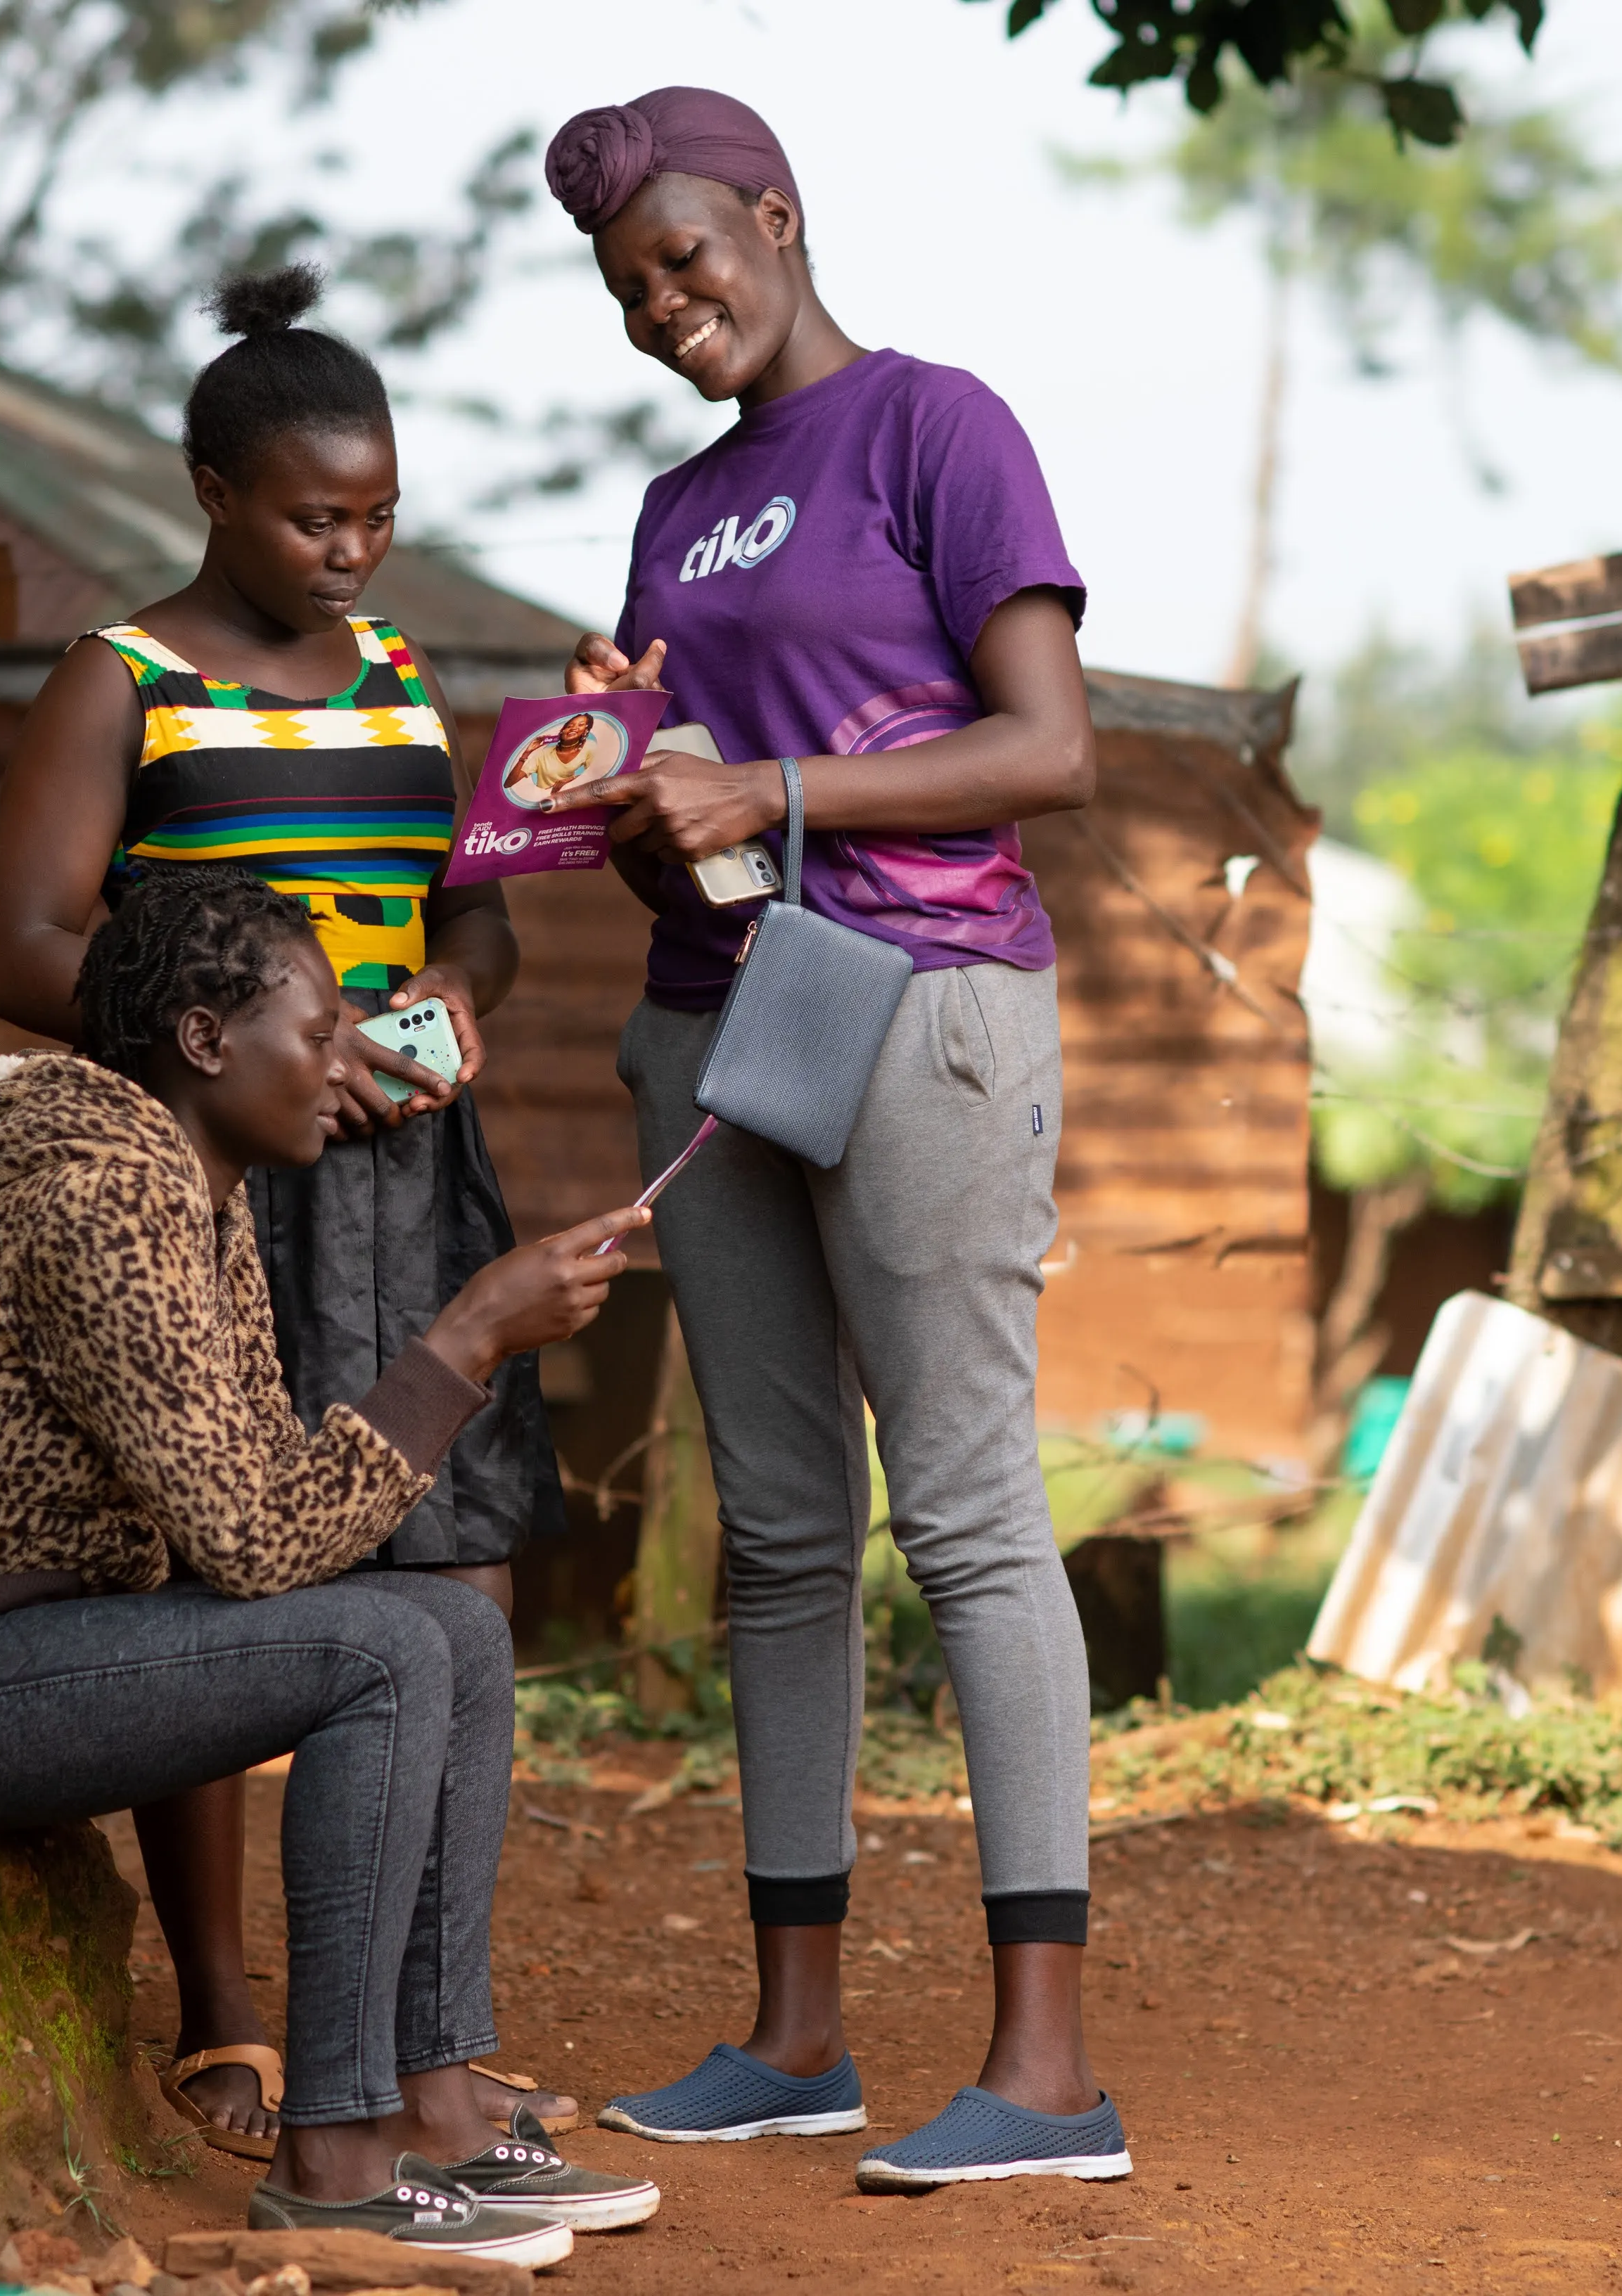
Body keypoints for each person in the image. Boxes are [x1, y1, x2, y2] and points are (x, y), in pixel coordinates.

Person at [0, 869, 660, 2262]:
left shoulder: (188, 1190)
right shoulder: (102, 1207)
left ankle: (437, 2108)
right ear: (204, 1043)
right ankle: (336, 2154)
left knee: (450, 1629)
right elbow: (250, 1544)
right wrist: (464, 1339)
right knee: (389, 1647)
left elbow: (251, 1506)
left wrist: (462, 1345)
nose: (344, 1060)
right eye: (316, 1029)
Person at [537, 87, 1128, 2192]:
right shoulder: (675, 513)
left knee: (964, 1508)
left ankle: (1047, 2070)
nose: (662, 302)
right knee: (782, 1532)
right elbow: (683, 849)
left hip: (925, 1001)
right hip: (720, 1024)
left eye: (687, 256)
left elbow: (1047, 745)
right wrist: (633, 786)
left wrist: (765, 793)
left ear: (776, 219)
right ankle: (798, 2037)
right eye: (625, 286)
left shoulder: (932, 429)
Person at [0, 265, 576, 2157]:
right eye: (318, 514)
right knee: (232, 1576)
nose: (353, 547)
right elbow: (19, 947)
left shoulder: (402, 681)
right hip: (223, 1184)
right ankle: (228, 2016)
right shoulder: (126, 681)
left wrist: (460, 993)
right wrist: (248, 1056)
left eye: (381, 514)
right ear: (213, 490)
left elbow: (468, 904)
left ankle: (418, 2038)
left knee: (453, 1574)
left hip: (411, 1175)